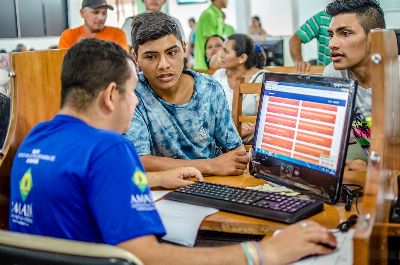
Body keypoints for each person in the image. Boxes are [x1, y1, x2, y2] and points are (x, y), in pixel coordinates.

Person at [9, 37, 337, 265]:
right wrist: (264, 254)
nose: (135, 102)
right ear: (111, 95)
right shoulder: (110, 148)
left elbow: (77, 184)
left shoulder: (36, 138)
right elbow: (147, 258)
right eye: (133, 92)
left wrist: (157, 178)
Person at [125, 12, 249, 176]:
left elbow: (236, 152)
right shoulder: (132, 94)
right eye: (151, 56)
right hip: (163, 190)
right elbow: (139, 161)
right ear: (136, 58)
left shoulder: (209, 88)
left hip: (214, 184)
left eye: (171, 53)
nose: (163, 65)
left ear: (184, 49)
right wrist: (210, 165)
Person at [322, 0, 389, 171]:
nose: (332, 44)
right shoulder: (333, 74)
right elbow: (329, 136)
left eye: (345, 33)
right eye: (331, 35)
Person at [213, 34, 266, 142]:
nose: (221, 55)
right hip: (221, 137)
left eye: (226, 52)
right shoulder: (218, 76)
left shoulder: (261, 79)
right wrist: (235, 127)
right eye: (222, 50)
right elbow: (208, 113)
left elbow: (263, 122)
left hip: (248, 142)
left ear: (242, 58)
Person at [58, 0, 128, 52]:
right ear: (82, 13)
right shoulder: (69, 35)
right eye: (95, 12)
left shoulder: (117, 33)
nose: (101, 18)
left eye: (104, 13)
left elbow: (123, 62)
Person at [193, 0, 227, 70]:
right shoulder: (209, 14)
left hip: (213, 66)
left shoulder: (217, 15)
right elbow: (213, 42)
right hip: (206, 67)